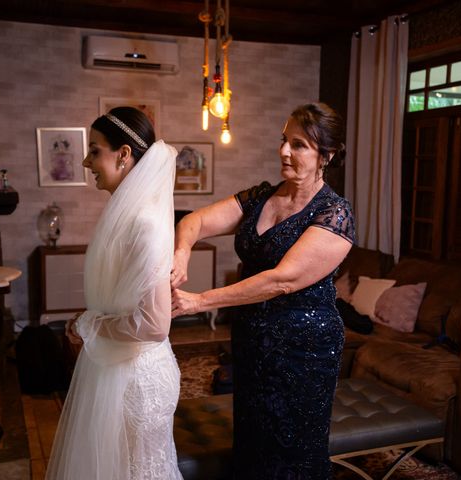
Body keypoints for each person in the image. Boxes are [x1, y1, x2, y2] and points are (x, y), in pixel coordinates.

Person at [171, 102, 355, 479]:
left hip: (304, 349)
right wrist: (181, 252)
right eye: (284, 140)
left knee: (292, 451)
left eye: (299, 144)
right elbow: (194, 219)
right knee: (252, 443)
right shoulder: (259, 197)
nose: (284, 151)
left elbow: (281, 279)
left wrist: (200, 301)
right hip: (253, 340)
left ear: (327, 155)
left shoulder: (335, 214)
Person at [46, 107, 183, 480]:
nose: (86, 160)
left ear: (123, 155)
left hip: (138, 381)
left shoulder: (144, 223)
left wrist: (89, 322)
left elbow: (154, 325)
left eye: (94, 150)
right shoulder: (127, 213)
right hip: (118, 368)